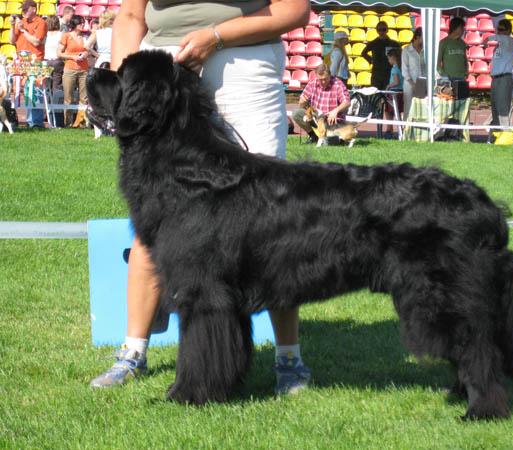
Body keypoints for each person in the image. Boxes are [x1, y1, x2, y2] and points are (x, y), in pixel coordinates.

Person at [89, 0, 312, 396]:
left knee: (269, 221)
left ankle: (289, 359)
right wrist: (129, 83)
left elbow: (294, 10)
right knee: (157, 219)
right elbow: (130, 15)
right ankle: (132, 352)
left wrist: (217, 35)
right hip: (160, 68)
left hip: (244, 66)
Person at [9, 0, 48, 128]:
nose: (24, 11)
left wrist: (23, 30)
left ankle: (35, 122)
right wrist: (12, 26)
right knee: (18, 90)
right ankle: (15, 120)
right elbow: (11, 41)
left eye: (26, 9)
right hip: (21, 62)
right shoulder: (21, 22)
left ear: (34, 9)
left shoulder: (41, 22)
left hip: (35, 61)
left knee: (34, 90)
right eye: (23, 9)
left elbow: (36, 42)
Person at [291, 63, 351, 143]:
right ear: (316, 76)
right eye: (320, 79)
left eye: (325, 79)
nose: (323, 81)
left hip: (332, 121)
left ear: (330, 75)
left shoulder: (338, 84)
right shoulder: (313, 83)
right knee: (297, 113)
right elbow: (301, 104)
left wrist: (335, 111)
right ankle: (313, 136)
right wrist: (302, 102)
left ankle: (336, 138)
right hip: (316, 118)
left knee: (327, 142)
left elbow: (347, 102)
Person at [484, 19, 513, 137]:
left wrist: (487, 39)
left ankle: (506, 135)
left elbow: (498, 38)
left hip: (504, 78)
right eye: (498, 29)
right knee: (495, 108)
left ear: (508, 31)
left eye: (502, 30)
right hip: (496, 78)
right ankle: (495, 135)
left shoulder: (511, 41)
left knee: (503, 109)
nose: (499, 32)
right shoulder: (500, 44)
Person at [57, 15, 90, 128]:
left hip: (84, 69)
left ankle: (81, 122)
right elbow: (59, 53)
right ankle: (68, 122)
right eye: (81, 23)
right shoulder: (66, 36)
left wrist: (86, 54)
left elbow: (88, 50)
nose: (83, 25)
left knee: (84, 98)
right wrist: (73, 57)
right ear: (75, 24)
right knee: (68, 97)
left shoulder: (85, 37)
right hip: (70, 69)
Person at [361, 21, 400, 90]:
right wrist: (371, 60)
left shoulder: (394, 43)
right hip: (377, 73)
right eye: (379, 30)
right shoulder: (373, 43)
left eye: (384, 29)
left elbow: (399, 54)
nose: (381, 32)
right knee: (376, 94)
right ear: (377, 31)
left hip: (389, 72)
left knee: (387, 95)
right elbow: (363, 53)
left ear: (387, 30)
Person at [401, 26, 424, 119]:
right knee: (408, 108)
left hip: (422, 83)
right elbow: (404, 70)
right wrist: (413, 84)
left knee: (421, 108)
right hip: (409, 84)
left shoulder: (425, 50)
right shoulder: (406, 50)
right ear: (417, 37)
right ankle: (406, 130)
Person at [437, 17, 467, 82]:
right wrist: (444, 76)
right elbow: (437, 63)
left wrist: (466, 73)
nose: (463, 30)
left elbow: (465, 60)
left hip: (461, 78)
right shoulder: (443, 43)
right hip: (448, 79)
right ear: (454, 28)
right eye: (461, 27)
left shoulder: (463, 43)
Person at [383, 47, 402, 138]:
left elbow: (396, 81)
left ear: (393, 57)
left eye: (389, 58)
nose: (388, 60)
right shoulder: (401, 68)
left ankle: (389, 129)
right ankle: (400, 130)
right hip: (401, 92)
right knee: (399, 113)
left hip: (394, 92)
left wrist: (388, 86)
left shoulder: (394, 69)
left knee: (388, 111)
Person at [44, 16, 64, 93]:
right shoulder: (61, 34)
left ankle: (46, 102)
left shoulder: (45, 34)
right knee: (57, 85)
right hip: (57, 60)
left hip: (46, 61)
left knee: (45, 85)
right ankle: (55, 103)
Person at [0, 55, 13, 134]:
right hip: (3, 94)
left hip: (2, 90)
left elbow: (3, 81)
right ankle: (10, 130)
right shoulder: (3, 68)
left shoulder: (1, 68)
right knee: (4, 119)